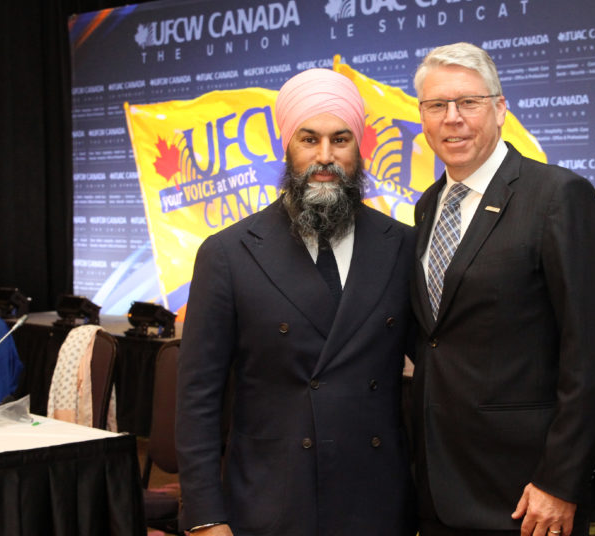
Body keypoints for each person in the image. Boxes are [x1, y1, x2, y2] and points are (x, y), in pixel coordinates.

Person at [175, 68, 417, 536]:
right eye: (309, 139)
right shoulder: (228, 254)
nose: (325, 157)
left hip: (376, 502)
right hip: (271, 501)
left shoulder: (402, 245)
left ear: (359, 148)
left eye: (340, 140)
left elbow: (436, 367)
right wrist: (205, 517)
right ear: (286, 146)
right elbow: (197, 400)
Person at [409, 42, 595, 536]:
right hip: (440, 485)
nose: (453, 118)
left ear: (501, 108)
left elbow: (590, 352)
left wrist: (560, 481)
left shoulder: (557, 196)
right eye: (437, 105)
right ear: (422, 117)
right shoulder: (427, 206)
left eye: (469, 102)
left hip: (526, 493)